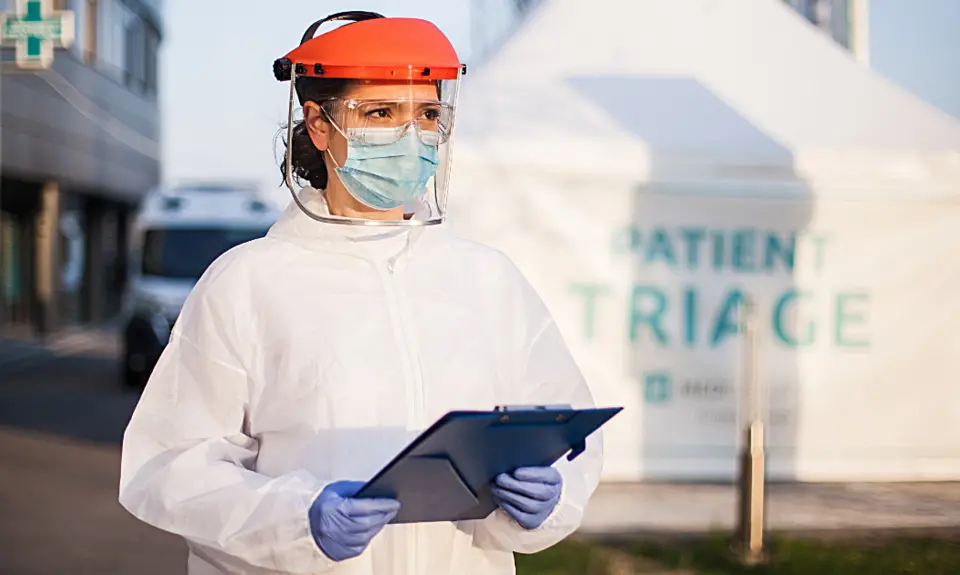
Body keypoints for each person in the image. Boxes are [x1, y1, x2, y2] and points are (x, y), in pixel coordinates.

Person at [119, 12, 603, 575]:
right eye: (380, 113)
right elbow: (173, 464)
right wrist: (301, 519)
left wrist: (547, 496)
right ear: (319, 126)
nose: (411, 135)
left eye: (426, 114)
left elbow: (565, 433)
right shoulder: (248, 282)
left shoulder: (488, 280)